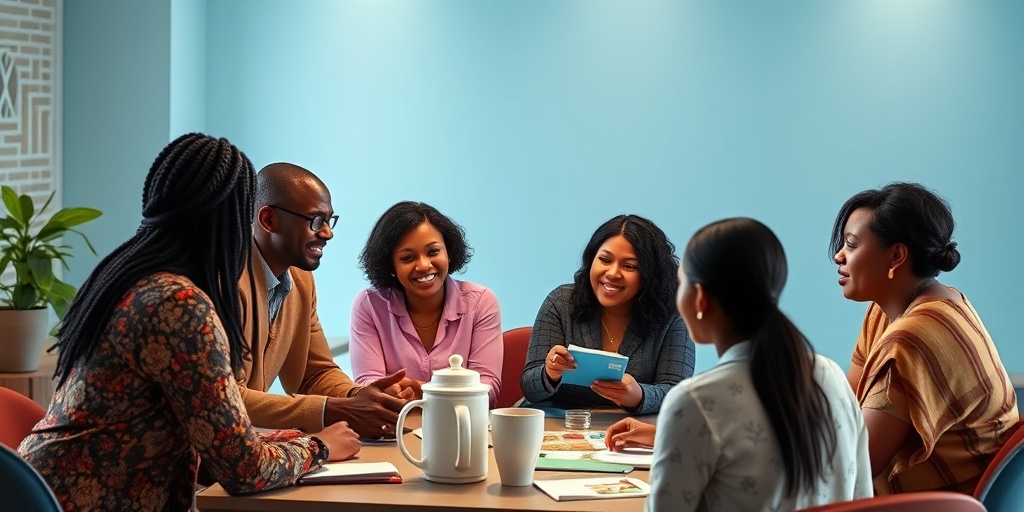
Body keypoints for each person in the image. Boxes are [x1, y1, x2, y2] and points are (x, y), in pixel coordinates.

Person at [19, 134, 360, 511]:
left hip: (49, 492)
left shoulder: (140, 279)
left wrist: (298, 435)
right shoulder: (179, 305)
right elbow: (241, 469)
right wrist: (320, 445)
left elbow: (220, 435)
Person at [608, 217, 872, 511]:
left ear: (701, 299)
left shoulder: (695, 401)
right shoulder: (831, 375)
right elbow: (863, 494)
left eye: (681, 284)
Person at [831, 182, 1018, 494]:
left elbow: (852, 469)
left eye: (851, 245)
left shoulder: (911, 338)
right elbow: (847, 403)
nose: (839, 256)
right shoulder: (937, 301)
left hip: (944, 502)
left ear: (896, 256)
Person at [238, 163, 415, 438]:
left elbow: (315, 374)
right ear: (269, 220)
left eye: (329, 220)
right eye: (315, 220)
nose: (327, 233)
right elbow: (227, 399)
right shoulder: (224, 283)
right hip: (196, 468)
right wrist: (335, 410)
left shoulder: (300, 281)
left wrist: (360, 397)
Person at [520, 214, 694, 415]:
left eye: (629, 266)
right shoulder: (561, 302)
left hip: (633, 430)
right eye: (604, 259)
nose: (612, 273)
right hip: (559, 425)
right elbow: (529, 387)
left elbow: (678, 394)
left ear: (649, 274)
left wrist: (639, 396)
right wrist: (549, 374)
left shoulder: (672, 316)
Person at [350, 201, 502, 406]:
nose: (423, 265)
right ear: (391, 266)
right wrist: (390, 391)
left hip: (461, 428)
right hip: (395, 429)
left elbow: (488, 386)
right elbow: (368, 384)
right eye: (408, 258)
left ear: (448, 252)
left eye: (433, 252)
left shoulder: (481, 301)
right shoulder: (369, 304)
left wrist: (425, 392)